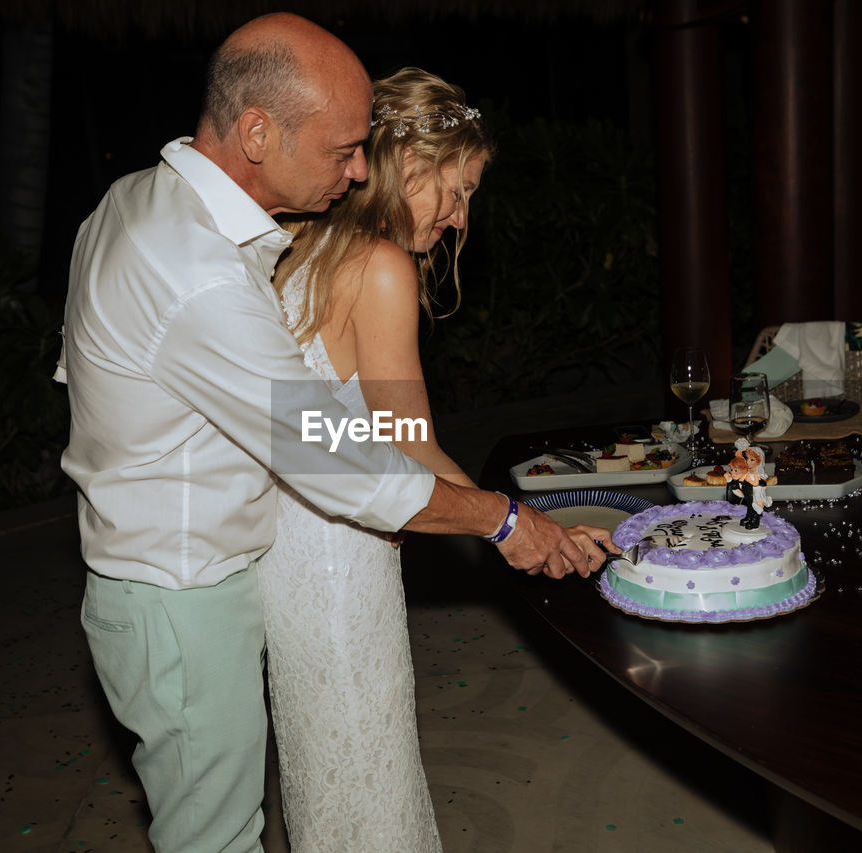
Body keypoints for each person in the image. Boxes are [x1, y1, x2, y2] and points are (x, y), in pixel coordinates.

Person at [54, 13, 616, 853]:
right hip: (184, 589)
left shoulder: (142, 206)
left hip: (214, 564)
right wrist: (504, 520)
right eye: (340, 150)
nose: (356, 171)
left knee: (261, 799)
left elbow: (105, 376)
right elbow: (351, 452)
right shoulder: (202, 270)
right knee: (222, 831)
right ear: (256, 131)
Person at [258, 68, 493, 851]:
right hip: (341, 556)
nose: (459, 219)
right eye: (453, 192)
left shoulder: (298, 245)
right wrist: (518, 524)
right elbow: (407, 446)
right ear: (409, 169)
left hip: (281, 545)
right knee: (367, 758)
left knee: (323, 765)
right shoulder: (381, 267)